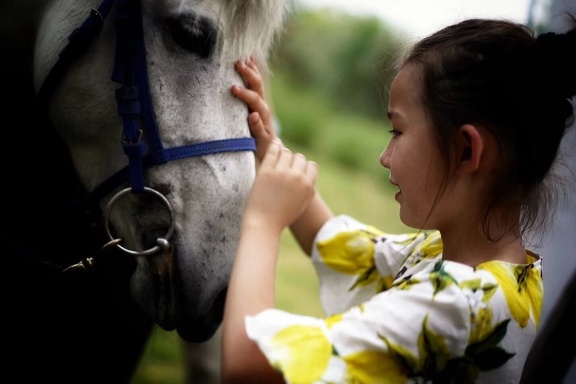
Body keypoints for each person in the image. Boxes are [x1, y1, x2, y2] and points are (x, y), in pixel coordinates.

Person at [222, 17, 576, 384]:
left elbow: (249, 368)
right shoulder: (485, 271)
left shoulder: (461, 305)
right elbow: (344, 249)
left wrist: (262, 222)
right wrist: (272, 147)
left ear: (468, 151)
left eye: (398, 130)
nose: (385, 156)